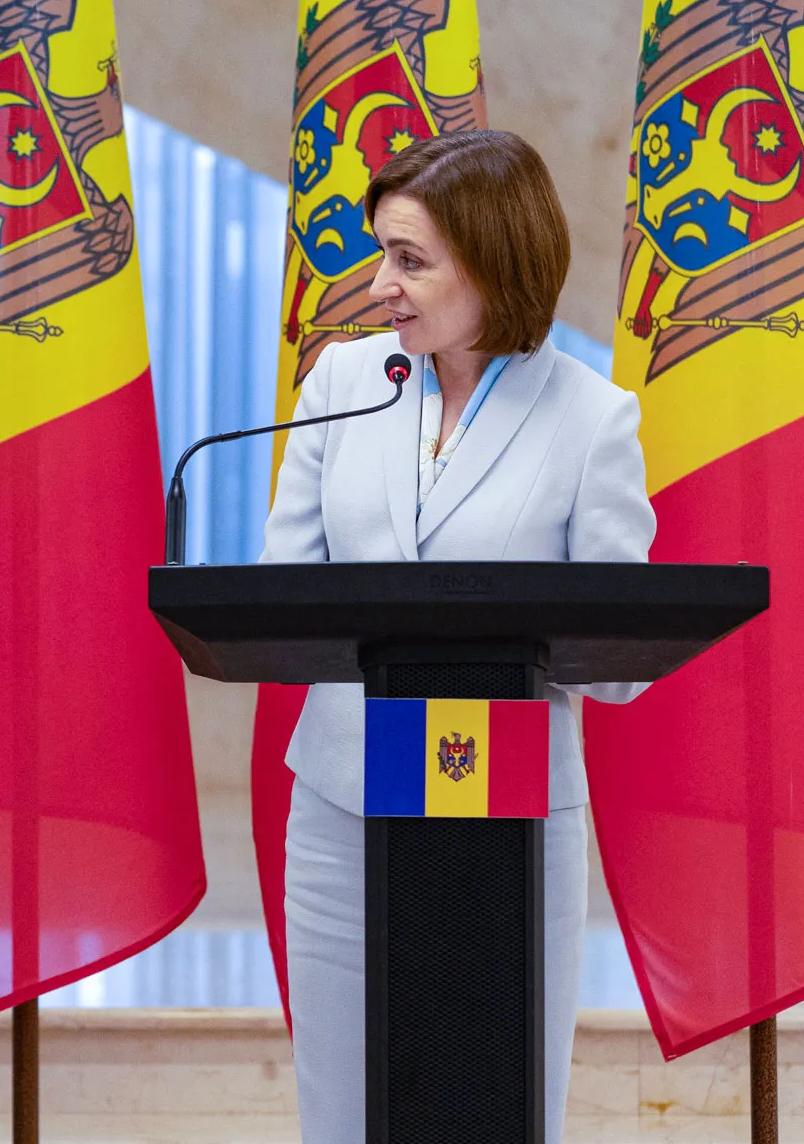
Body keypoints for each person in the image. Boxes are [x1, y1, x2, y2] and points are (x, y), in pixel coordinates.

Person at [260, 129, 654, 1143]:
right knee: (342, 1109)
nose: (379, 285)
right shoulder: (342, 384)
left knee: (498, 1101)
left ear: (491, 260)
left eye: (410, 260)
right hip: (345, 806)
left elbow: (619, 668)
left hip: (509, 814)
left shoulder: (592, 419)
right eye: (381, 254)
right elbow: (284, 595)